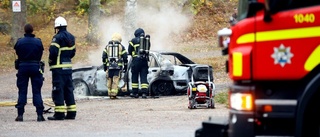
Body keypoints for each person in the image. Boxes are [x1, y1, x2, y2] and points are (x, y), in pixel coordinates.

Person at [14, 23, 45, 122]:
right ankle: (40, 115)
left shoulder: (20, 42)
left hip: (23, 67)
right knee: (37, 91)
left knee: (22, 91)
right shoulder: (38, 42)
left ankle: (20, 115)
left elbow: (17, 52)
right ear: (32, 31)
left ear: (24, 30)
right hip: (35, 66)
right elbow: (40, 53)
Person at [47, 16, 76, 120]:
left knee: (58, 90)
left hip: (58, 69)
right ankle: (71, 113)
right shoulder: (71, 37)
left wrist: (50, 61)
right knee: (69, 90)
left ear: (57, 27)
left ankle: (59, 114)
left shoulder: (57, 38)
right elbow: (73, 53)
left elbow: (53, 52)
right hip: (68, 68)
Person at [102, 33, 128, 99]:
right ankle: (113, 94)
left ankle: (109, 93)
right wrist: (125, 66)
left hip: (109, 67)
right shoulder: (121, 46)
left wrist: (105, 65)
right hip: (117, 67)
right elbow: (125, 57)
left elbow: (103, 56)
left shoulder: (107, 46)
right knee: (115, 80)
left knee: (109, 79)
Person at [128, 28, 151, 99]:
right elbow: (148, 48)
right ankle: (144, 93)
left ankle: (135, 93)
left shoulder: (133, 40)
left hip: (136, 61)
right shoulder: (146, 40)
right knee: (144, 77)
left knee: (135, 76)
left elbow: (129, 50)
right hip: (144, 61)